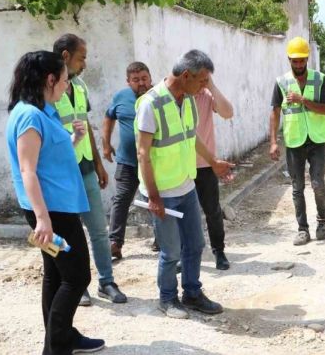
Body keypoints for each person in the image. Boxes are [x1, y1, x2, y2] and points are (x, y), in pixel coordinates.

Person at [6, 51, 105, 354]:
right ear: (50, 80)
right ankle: (56, 347)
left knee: (56, 273)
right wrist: (43, 219)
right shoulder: (29, 116)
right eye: (63, 80)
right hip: (53, 212)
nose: (66, 86)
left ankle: (62, 338)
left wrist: (73, 140)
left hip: (57, 207)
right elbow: (28, 170)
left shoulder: (43, 111)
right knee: (77, 277)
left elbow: (49, 155)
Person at [136, 49, 233, 319]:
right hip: (162, 192)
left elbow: (192, 137)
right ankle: (167, 299)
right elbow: (143, 153)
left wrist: (213, 162)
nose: (204, 86)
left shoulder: (189, 100)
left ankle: (192, 293)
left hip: (185, 185)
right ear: (186, 75)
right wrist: (153, 196)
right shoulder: (151, 104)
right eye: (202, 81)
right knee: (170, 251)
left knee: (195, 245)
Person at [53, 34, 127, 306]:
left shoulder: (80, 87)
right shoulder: (47, 90)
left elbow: (85, 125)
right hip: (61, 173)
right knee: (67, 234)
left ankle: (106, 281)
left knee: (98, 229)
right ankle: (75, 284)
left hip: (85, 167)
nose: (84, 64)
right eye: (81, 58)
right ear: (65, 56)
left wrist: (98, 163)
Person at [269, 36, 325, 246]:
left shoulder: (319, 79)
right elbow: (275, 112)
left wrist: (303, 100)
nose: (298, 65)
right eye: (294, 61)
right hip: (294, 140)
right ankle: (302, 229)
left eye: (301, 60)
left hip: (316, 140)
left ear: (307, 59)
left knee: (318, 184)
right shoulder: (281, 82)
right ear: (289, 60)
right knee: (297, 188)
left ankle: (322, 221)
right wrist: (273, 142)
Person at [102, 62, 153, 260]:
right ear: (128, 81)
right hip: (127, 161)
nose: (141, 83)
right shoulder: (121, 97)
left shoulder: (158, 97)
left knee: (155, 200)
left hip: (152, 162)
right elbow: (109, 118)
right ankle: (115, 243)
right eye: (136, 80)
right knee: (121, 200)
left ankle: (162, 240)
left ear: (150, 78)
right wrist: (106, 144)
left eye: (144, 78)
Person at [194, 77, 234, 270]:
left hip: (206, 164)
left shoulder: (207, 95)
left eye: (205, 77)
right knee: (183, 214)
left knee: (213, 211)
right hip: (181, 166)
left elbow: (228, 112)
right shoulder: (179, 96)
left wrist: (210, 85)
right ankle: (184, 254)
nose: (201, 81)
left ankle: (219, 251)